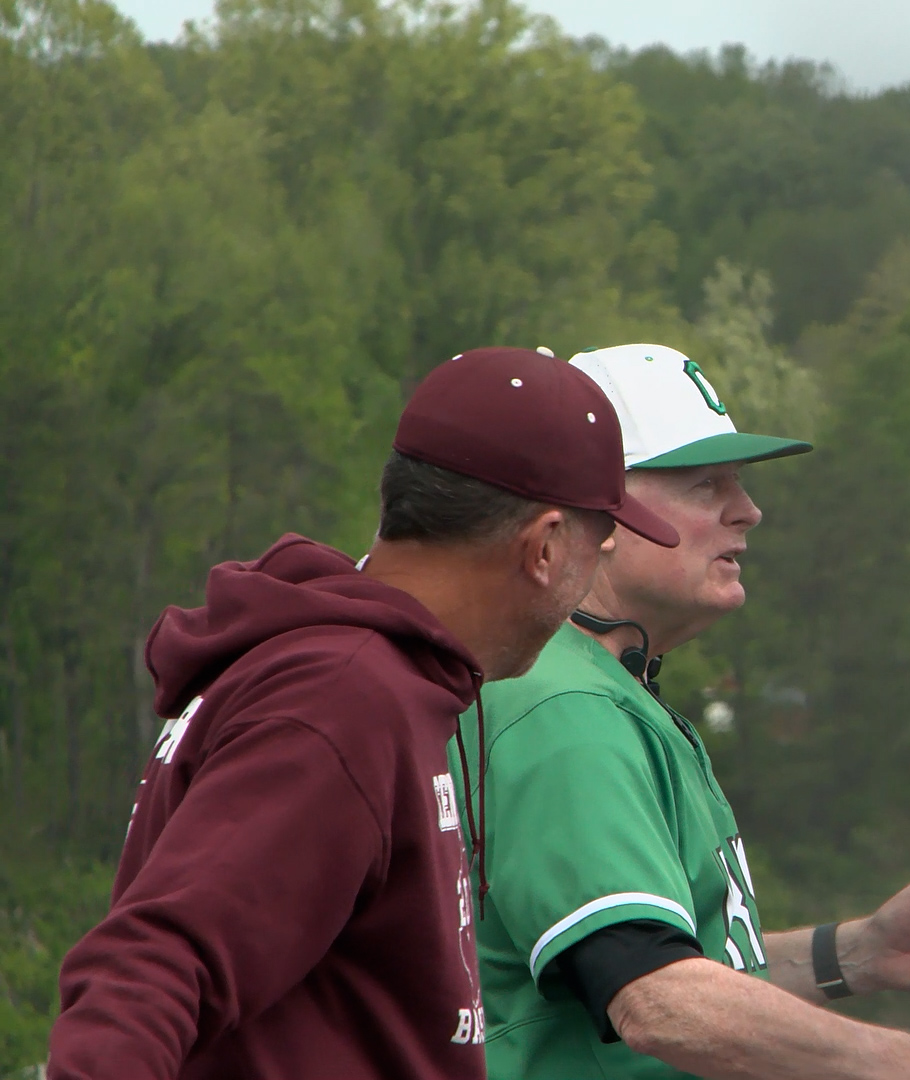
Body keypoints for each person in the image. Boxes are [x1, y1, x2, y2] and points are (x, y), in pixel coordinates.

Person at [48, 347, 678, 1080]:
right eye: (595, 551)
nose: (586, 581)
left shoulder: (361, 676)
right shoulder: (341, 698)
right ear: (543, 547)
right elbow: (151, 964)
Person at [458, 343, 910, 1080]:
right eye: (706, 483)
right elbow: (657, 999)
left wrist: (859, 952)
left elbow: (667, 958)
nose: (747, 511)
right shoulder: (564, 705)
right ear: (601, 516)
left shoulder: (602, 683)